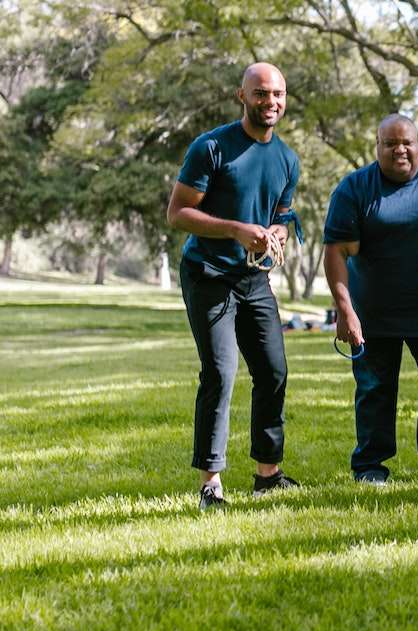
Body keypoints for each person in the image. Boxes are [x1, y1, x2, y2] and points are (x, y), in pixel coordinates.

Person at [166, 62, 301, 509]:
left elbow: (280, 216)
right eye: (261, 94)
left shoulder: (287, 160)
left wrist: (278, 232)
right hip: (208, 274)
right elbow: (179, 213)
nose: (271, 102)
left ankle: (268, 474)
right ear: (241, 96)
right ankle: (211, 484)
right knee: (221, 374)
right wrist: (235, 230)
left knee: (273, 371)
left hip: (253, 280)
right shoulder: (211, 148)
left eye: (278, 94)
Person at [323, 115, 418, 485]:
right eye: (390, 144)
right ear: (377, 147)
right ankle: (371, 466)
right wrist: (345, 309)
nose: (400, 149)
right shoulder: (354, 188)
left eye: (408, 142)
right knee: (374, 390)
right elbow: (336, 252)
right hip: (373, 314)